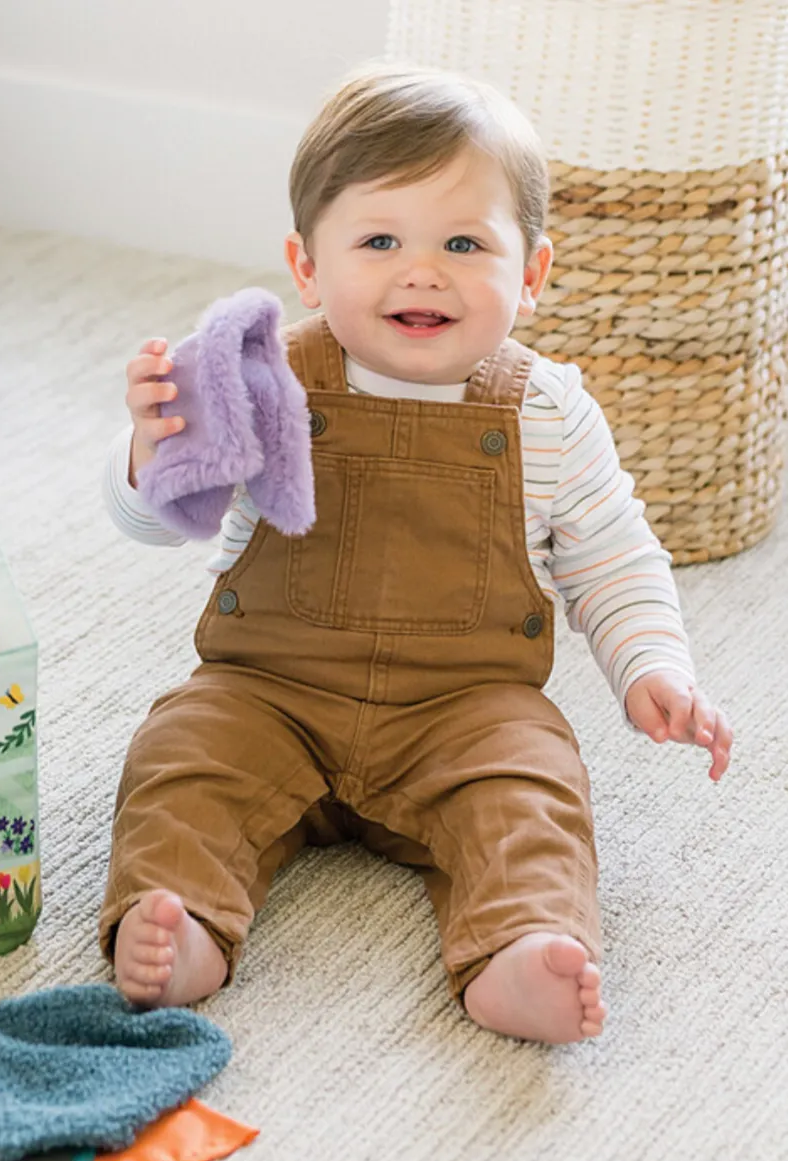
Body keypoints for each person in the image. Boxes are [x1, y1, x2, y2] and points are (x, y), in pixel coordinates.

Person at [98, 64, 733, 1044]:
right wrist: (154, 447)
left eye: (464, 243)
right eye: (379, 239)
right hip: (269, 691)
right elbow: (159, 516)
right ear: (306, 267)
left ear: (529, 274)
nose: (421, 269)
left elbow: (612, 558)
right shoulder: (265, 385)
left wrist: (653, 667)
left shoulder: (547, 411)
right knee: (182, 755)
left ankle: (518, 946)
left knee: (533, 786)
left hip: (463, 709)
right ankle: (178, 919)